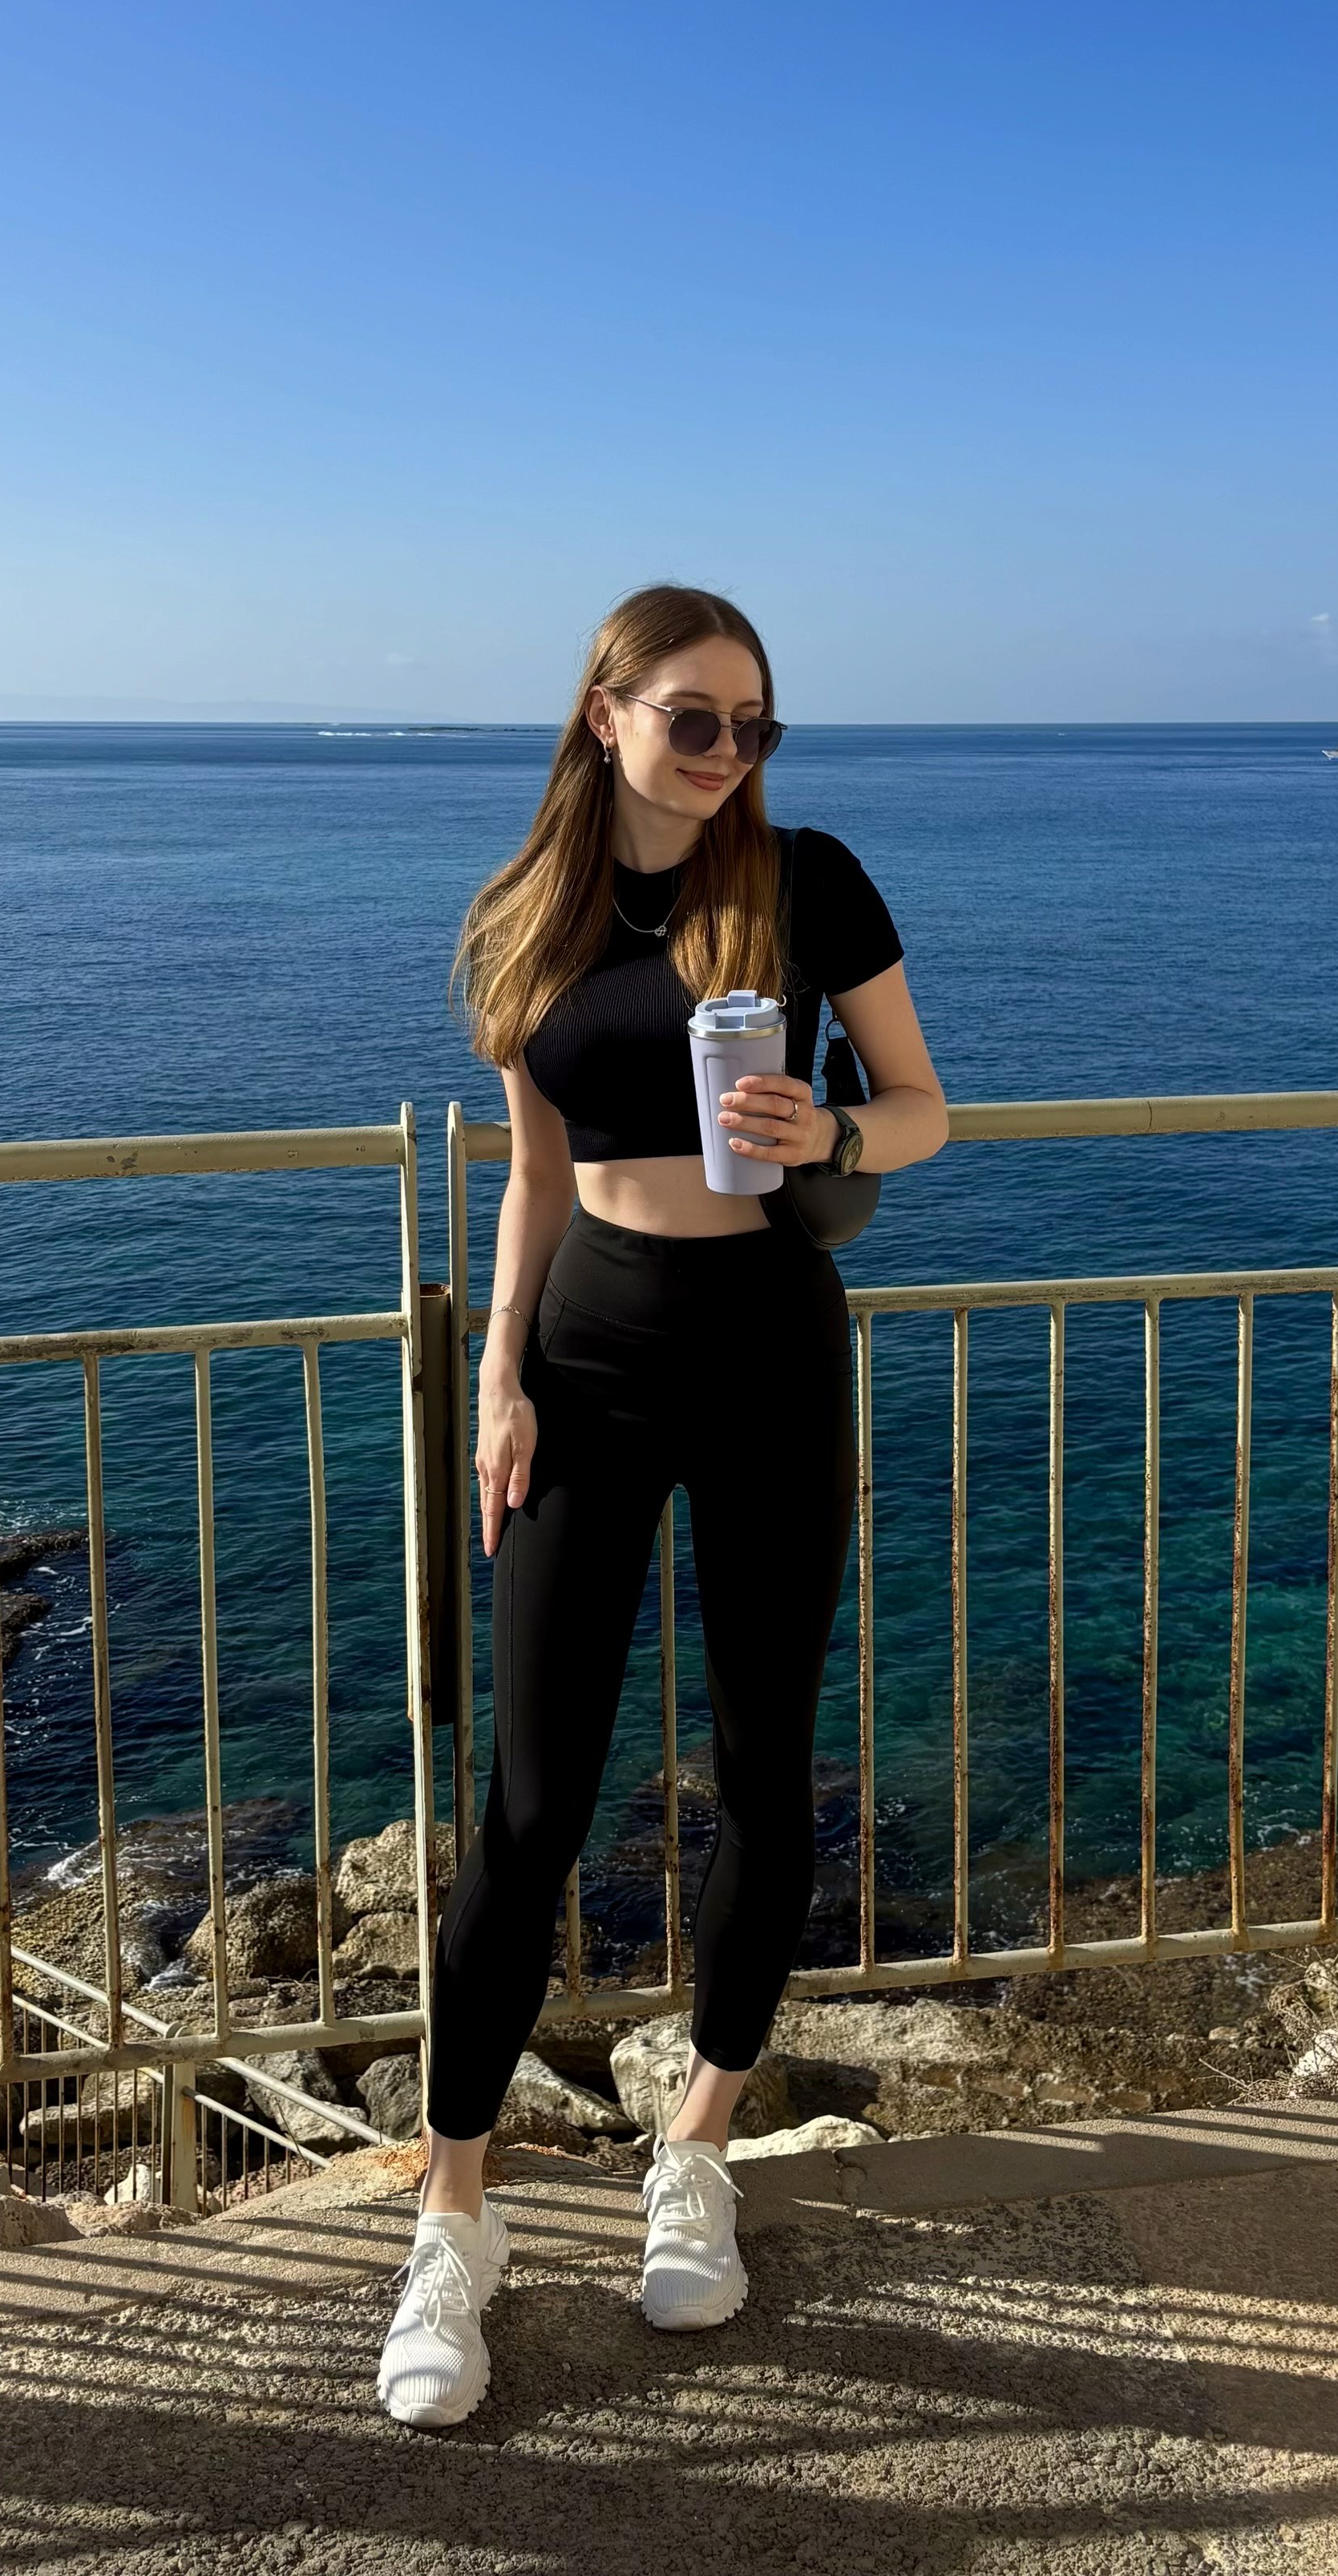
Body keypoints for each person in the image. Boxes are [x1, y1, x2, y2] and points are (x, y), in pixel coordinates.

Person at [378, 583, 947, 2429]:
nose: (727, 755)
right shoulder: (522, 915)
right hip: (591, 1350)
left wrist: (843, 1137)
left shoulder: (810, 882)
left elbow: (933, 1107)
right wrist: (496, 1371)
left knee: (765, 1771)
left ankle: (696, 2145)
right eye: (695, 718)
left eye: (755, 725)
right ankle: (454, 2223)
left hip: (773, 1338)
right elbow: (538, 1168)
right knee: (531, 1803)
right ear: (605, 712)